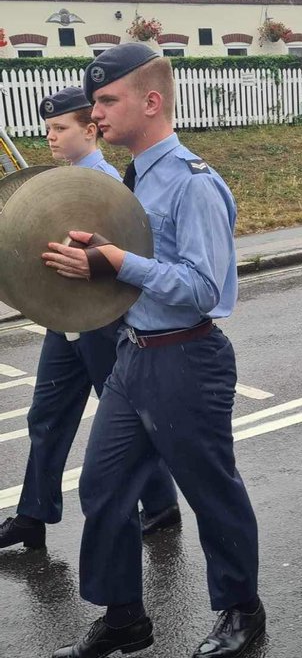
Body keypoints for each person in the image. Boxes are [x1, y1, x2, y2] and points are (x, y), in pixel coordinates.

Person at [42, 45, 263, 658]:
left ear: (151, 101)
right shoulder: (131, 177)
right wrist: (90, 262)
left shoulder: (192, 183)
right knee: (103, 487)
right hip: (133, 356)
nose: (97, 111)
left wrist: (115, 261)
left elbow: (204, 289)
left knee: (210, 490)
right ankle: (123, 616)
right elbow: (135, 271)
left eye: (107, 100)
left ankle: (242, 608)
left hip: (187, 358)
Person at [0, 86, 179, 554]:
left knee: (128, 419)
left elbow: (130, 256)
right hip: (64, 322)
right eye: (49, 129)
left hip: (101, 322)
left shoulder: (106, 189)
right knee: (46, 416)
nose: (50, 138)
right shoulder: (63, 184)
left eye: (60, 128)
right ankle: (32, 517)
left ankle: (161, 504)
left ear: (91, 130)